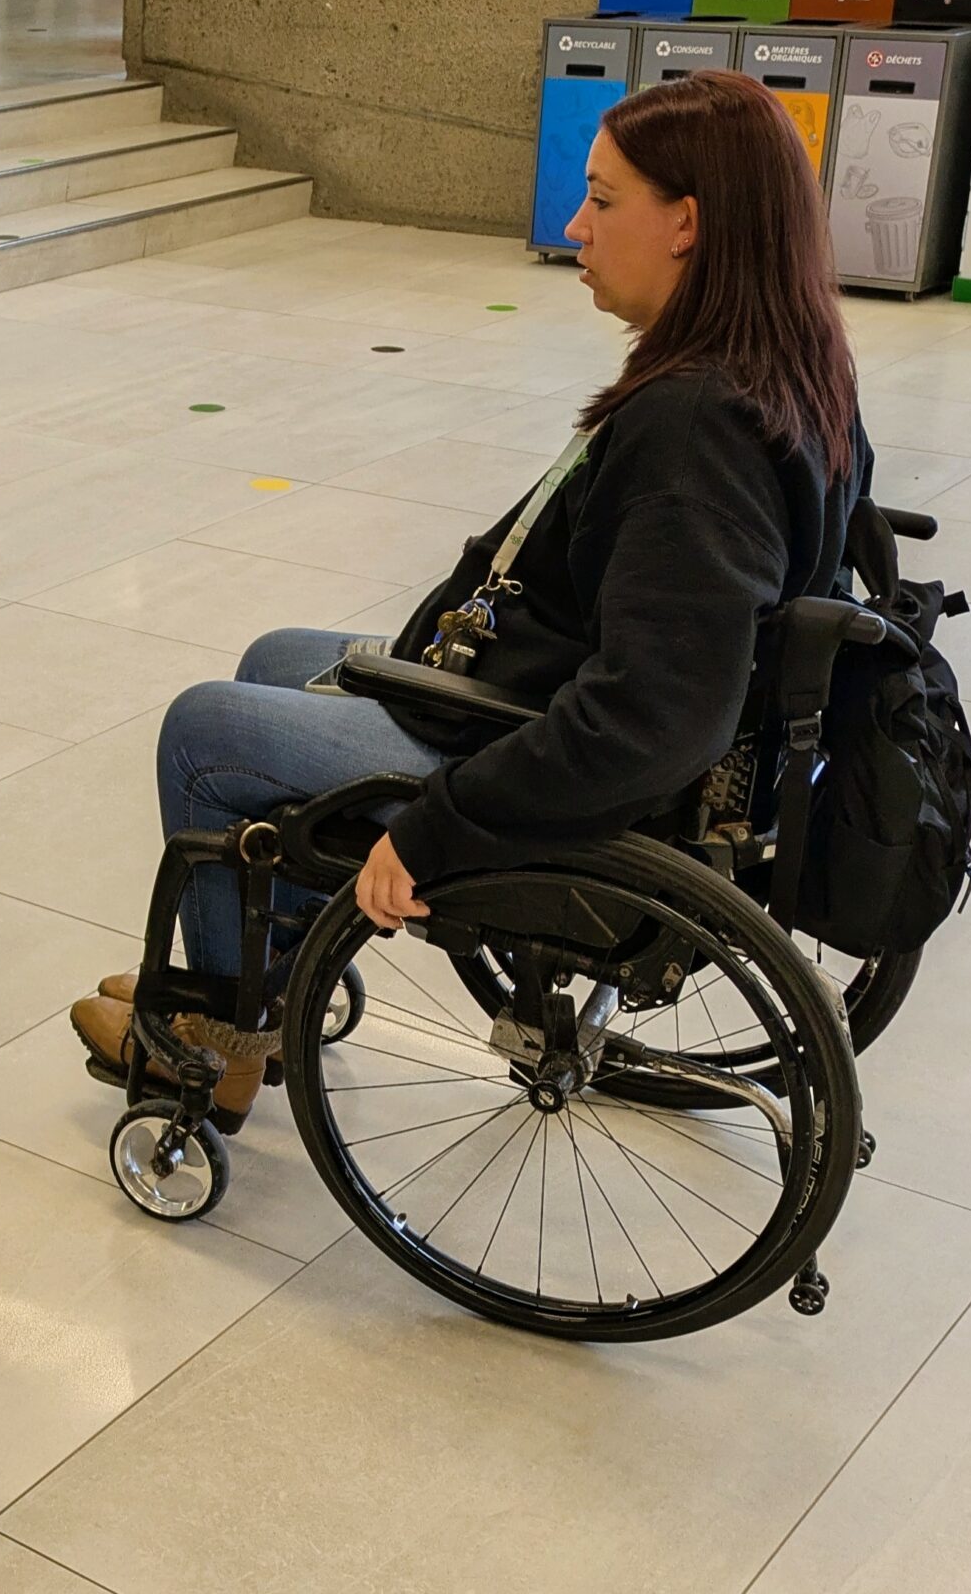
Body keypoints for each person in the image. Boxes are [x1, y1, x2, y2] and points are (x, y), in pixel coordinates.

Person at [69, 70, 873, 1130]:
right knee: (277, 656)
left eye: (603, 198)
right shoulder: (781, 362)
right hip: (551, 686)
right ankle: (265, 968)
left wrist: (442, 829)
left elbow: (651, 718)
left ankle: (217, 1041)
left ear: (687, 223)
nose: (574, 224)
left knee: (204, 731)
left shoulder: (695, 431)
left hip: (567, 763)